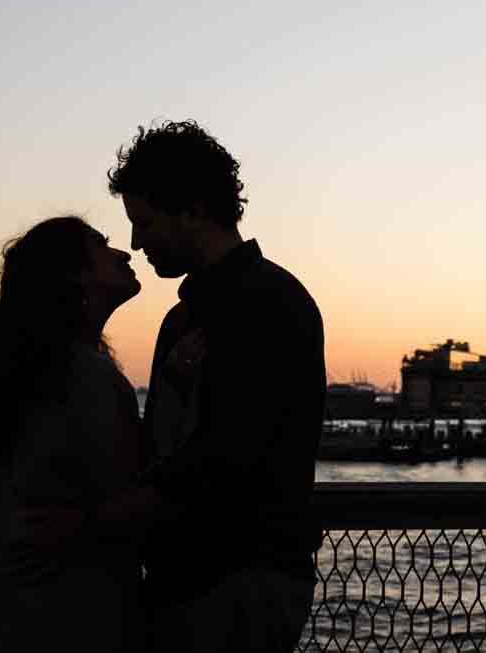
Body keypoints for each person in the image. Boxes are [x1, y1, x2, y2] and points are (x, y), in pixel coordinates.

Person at [31, 119, 326, 652]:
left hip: (236, 578)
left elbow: (226, 454)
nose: (136, 242)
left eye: (144, 222)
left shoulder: (266, 303)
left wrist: (91, 522)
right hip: (195, 578)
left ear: (192, 209)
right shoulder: (194, 315)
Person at [0, 217, 145, 653]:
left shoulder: (39, 372)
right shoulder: (88, 376)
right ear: (72, 274)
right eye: (101, 245)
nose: (123, 252)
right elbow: (128, 494)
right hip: (58, 616)